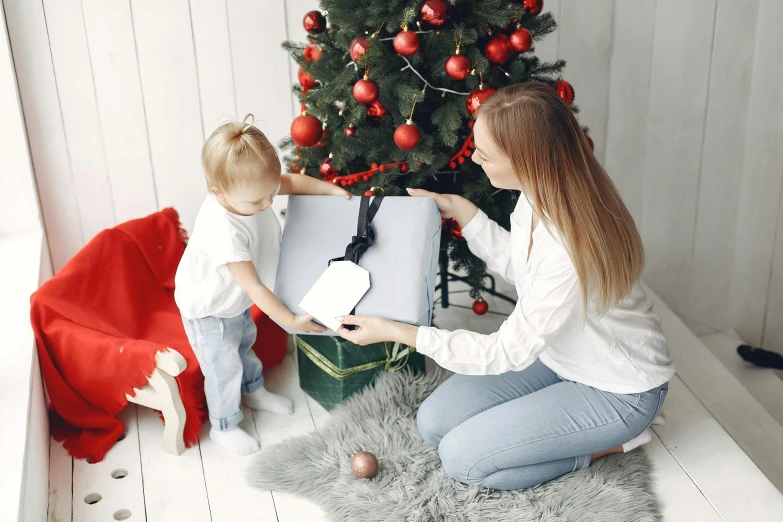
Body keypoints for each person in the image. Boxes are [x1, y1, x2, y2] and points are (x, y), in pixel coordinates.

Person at [336, 83, 675, 490]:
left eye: (486, 154)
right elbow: (526, 269)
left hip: (619, 388)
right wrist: (466, 212)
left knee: (464, 460)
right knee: (433, 423)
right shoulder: (535, 197)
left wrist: (397, 332)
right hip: (559, 359)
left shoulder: (571, 243)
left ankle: (613, 443)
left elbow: (502, 353)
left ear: (526, 161)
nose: (475, 158)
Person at [175, 115, 349, 456]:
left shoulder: (253, 187)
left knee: (244, 344)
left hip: (234, 302)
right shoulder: (222, 230)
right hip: (210, 310)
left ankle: (253, 390)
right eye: (257, 202)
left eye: (271, 194)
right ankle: (225, 425)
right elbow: (255, 288)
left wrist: (330, 190)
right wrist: (290, 320)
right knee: (223, 367)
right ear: (219, 193)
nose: (268, 204)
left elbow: (292, 184)